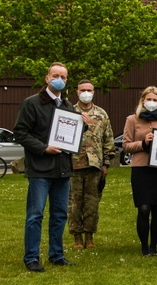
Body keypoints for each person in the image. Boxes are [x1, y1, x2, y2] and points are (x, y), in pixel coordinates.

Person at [15, 62, 79, 272]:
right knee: (35, 215)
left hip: (62, 169)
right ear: (47, 78)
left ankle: (56, 254)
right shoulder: (31, 103)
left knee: (60, 214)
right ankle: (31, 257)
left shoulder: (68, 107)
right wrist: (44, 148)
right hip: (40, 169)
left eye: (64, 76)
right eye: (55, 75)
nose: (59, 79)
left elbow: (71, 138)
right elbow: (21, 133)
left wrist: (81, 127)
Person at [123, 86, 157, 256]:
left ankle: (154, 246)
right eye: (149, 99)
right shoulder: (132, 119)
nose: (151, 102)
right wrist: (143, 143)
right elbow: (126, 145)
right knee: (144, 208)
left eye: (155, 100)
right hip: (141, 168)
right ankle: (144, 247)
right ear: (143, 101)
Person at [69, 78, 115, 250]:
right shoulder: (70, 112)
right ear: (77, 92)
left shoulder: (101, 114)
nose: (86, 93)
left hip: (95, 166)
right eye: (82, 90)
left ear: (94, 92)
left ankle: (89, 237)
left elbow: (108, 140)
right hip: (73, 164)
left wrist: (106, 163)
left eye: (89, 90)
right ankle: (77, 238)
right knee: (74, 202)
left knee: (92, 202)